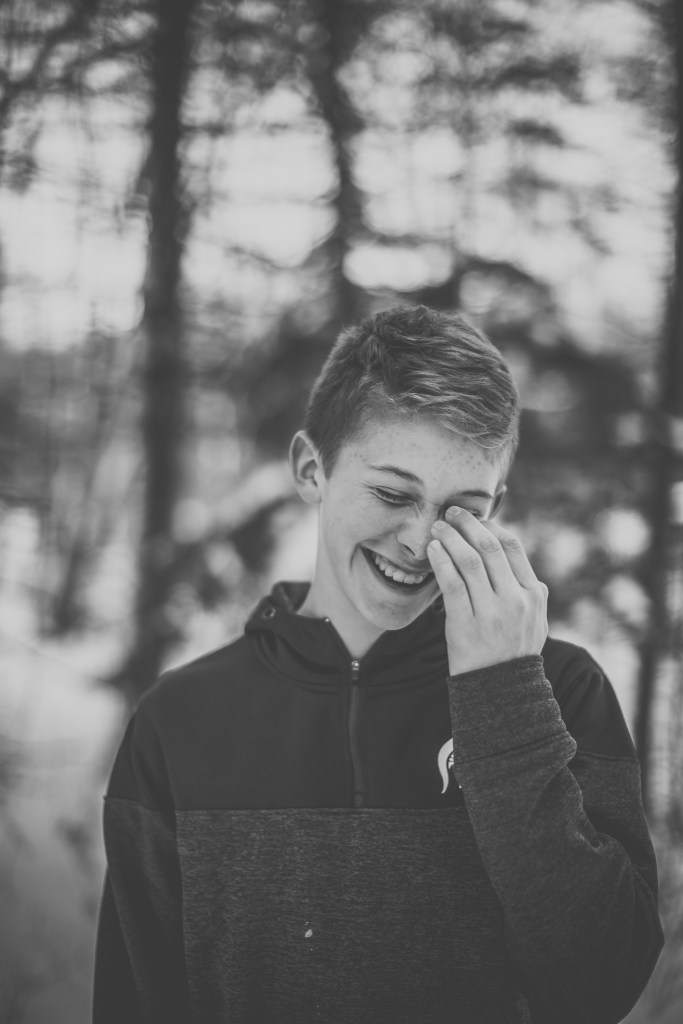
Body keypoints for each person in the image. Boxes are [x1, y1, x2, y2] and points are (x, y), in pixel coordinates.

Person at [93, 305, 663, 1023]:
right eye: (393, 493)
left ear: (496, 506)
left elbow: (602, 983)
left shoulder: (560, 691)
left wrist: (504, 697)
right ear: (312, 469)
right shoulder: (178, 721)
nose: (419, 541)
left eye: (461, 510)